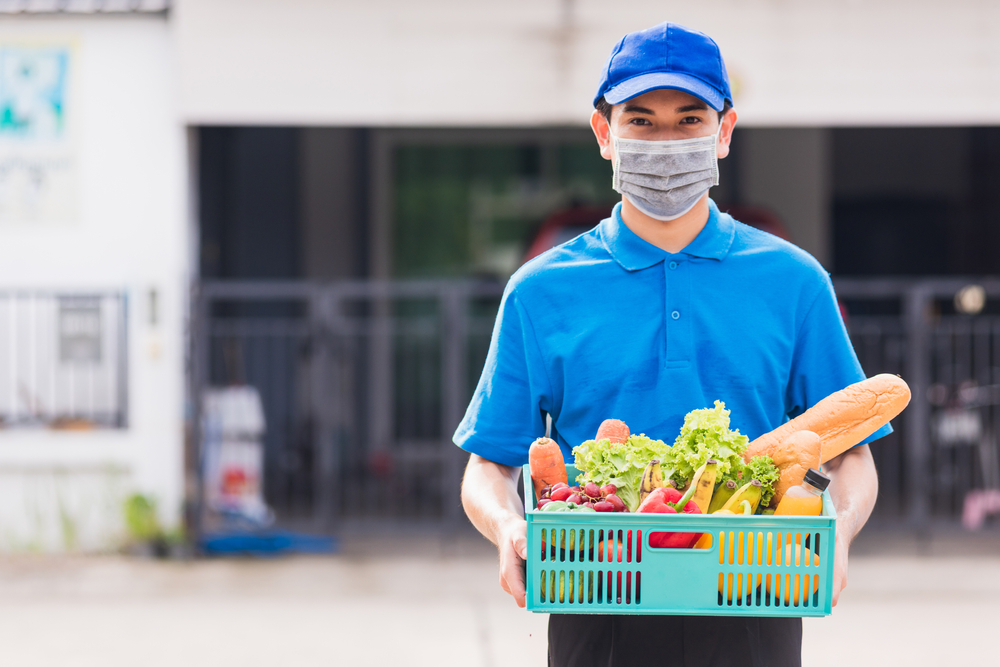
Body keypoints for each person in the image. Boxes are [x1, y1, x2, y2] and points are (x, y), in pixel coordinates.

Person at [456, 21, 885, 667]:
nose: (666, 141)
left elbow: (851, 452)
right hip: (595, 589)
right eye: (642, 121)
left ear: (725, 131)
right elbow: (490, 463)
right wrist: (509, 525)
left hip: (753, 588)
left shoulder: (794, 282)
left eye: (689, 120)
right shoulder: (540, 290)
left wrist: (839, 530)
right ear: (605, 134)